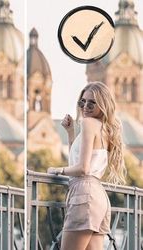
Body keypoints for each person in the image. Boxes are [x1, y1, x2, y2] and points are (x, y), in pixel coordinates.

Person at [47, 82, 126, 250]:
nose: (86, 106)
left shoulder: (88, 123)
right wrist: (70, 133)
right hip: (98, 197)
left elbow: (82, 168)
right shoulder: (105, 128)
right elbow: (79, 163)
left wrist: (57, 170)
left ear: (103, 104)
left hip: (84, 194)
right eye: (82, 102)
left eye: (92, 102)